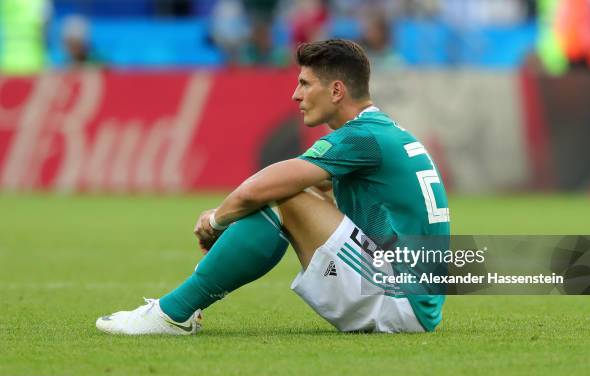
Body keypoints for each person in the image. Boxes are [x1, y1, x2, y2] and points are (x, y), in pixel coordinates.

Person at [96, 39, 450, 335]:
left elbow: (258, 190)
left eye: (305, 83)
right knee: (296, 195)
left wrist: (216, 221)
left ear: (337, 90)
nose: (296, 95)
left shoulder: (360, 137)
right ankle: (186, 308)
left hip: (399, 299)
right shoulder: (381, 131)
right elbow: (323, 194)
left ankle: (173, 314)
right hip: (415, 297)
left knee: (282, 197)